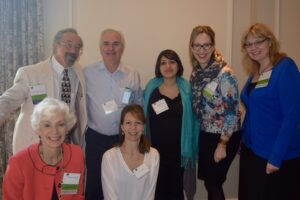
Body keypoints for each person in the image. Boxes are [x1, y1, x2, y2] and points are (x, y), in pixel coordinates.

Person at [238, 22, 300, 200]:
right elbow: (254, 109)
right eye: (249, 44)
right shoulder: (255, 71)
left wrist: (275, 157)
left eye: (258, 42)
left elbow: (293, 115)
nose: (253, 48)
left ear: (270, 42)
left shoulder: (285, 67)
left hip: (277, 155)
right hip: (252, 150)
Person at [0, 28, 87, 154]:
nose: (73, 50)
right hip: (34, 145)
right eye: (68, 45)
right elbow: (8, 100)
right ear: (55, 45)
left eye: (78, 47)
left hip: (65, 145)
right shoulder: (31, 74)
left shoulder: (79, 73)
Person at [84, 28, 143, 200]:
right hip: (96, 138)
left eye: (116, 44)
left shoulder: (132, 74)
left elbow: (137, 105)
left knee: (120, 182)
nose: (111, 48)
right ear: (100, 47)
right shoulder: (87, 73)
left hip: (123, 139)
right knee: (95, 183)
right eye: (106, 44)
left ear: (122, 48)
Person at [189, 25, 241, 200]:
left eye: (206, 45)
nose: (201, 50)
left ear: (213, 46)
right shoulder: (197, 73)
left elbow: (232, 113)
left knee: (213, 183)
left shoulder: (225, 74)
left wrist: (222, 144)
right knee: (212, 182)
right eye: (197, 45)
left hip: (224, 136)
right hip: (207, 134)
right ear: (191, 47)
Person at [2, 98, 85, 199]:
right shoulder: (18, 163)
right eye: (47, 125)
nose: (55, 131)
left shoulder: (76, 155)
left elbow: (76, 196)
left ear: (67, 127)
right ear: (38, 129)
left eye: (61, 124)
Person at [143, 49, 199, 200]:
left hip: (180, 152)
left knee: (176, 189)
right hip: (155, 151)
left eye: (172, 61)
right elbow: (142, 116)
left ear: (178, 65)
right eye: (163, 62)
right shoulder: (151, 87)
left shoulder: (187, 88)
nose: (168, 66)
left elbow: (194, 119)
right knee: (157, 189)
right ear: (158, 67)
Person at [101, 104, 159, 200]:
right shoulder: (109, 157)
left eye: (138, 123)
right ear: (122, 127)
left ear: (143, 127)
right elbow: (109, 196)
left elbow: (150, 195)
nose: (133, 127)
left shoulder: (153, 155)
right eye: (128, 123)